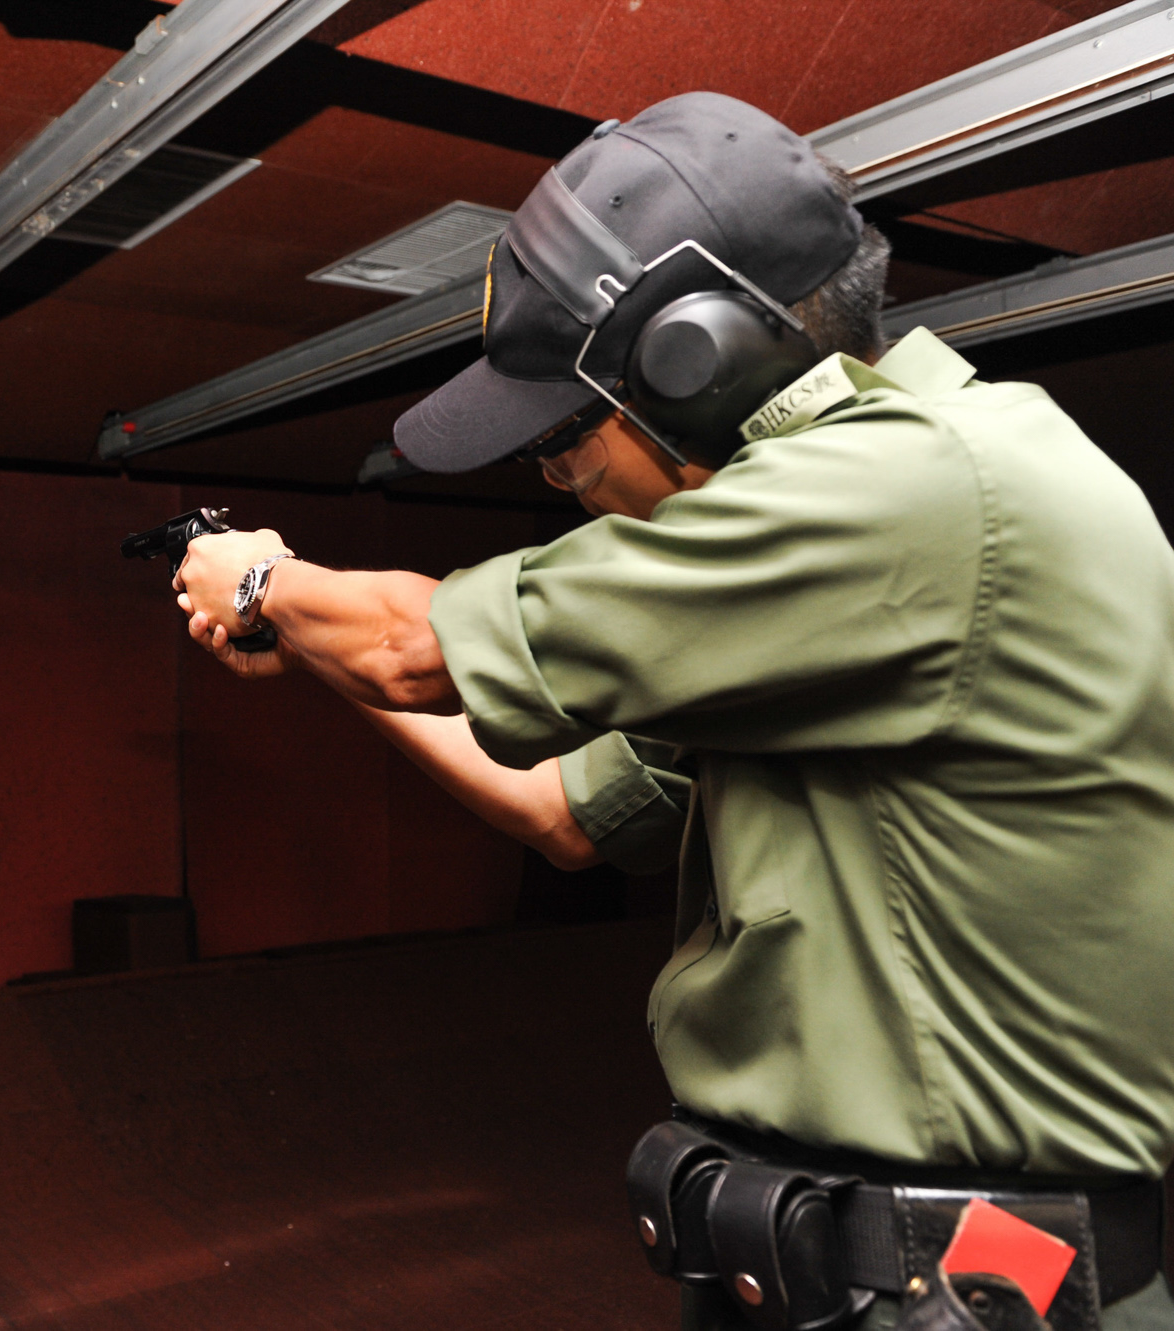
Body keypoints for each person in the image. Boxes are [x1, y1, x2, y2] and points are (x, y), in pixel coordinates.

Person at [172, 93, 1174, 1330]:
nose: (561, 480)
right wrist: (310, 642)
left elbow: (408, 645)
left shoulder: (913, 483)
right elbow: (558, 811)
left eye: (561, 440)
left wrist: (259, 579)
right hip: (855, 1274)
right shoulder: (815, 584)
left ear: (694, 364)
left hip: (967, 1284)